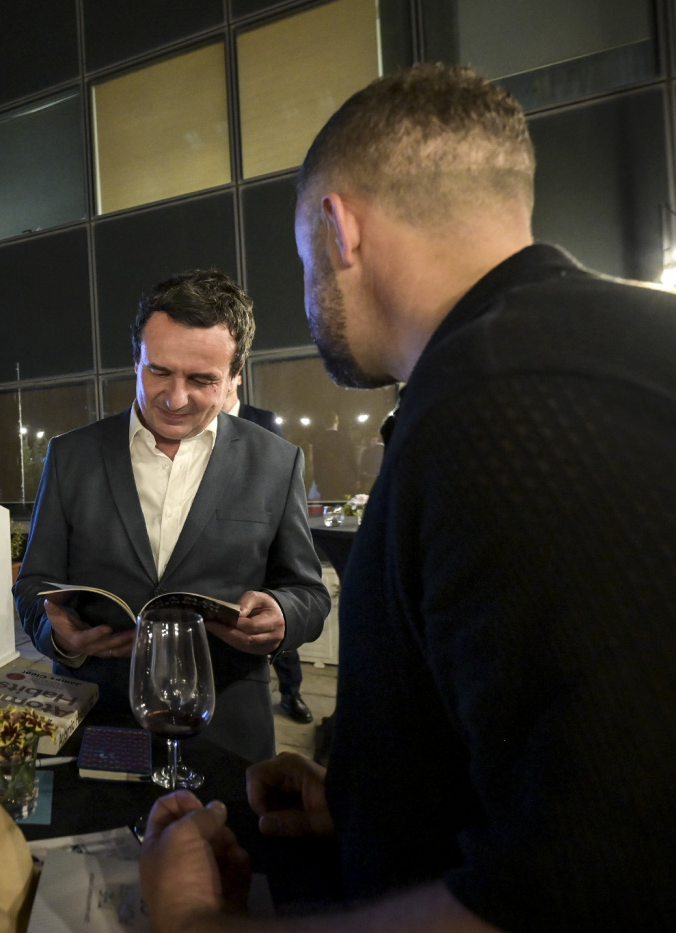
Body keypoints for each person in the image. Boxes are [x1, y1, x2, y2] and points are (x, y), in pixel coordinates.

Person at [139, 64, 676, 932]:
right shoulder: (598, 353)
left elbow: (589, 883)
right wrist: (371, 799)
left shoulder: (499, 405)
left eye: (304, 258)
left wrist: (197, 924)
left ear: (337, 227)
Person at [14, 270, 330, 764]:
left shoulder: (276, 461)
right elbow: (34, 584)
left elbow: (308, 593)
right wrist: (55, 633)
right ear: (136, 359)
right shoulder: (71, 455)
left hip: (227, 727)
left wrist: (284, 616)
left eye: (202, 380)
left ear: (235, 373)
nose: (175, 398)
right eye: (159, 371)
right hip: (98, 715)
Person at [224, 374, 313, 726]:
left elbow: (281, 483)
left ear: (236, 375)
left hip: (261, 539)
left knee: (275, 625)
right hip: (223, 548)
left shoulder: (263, 421)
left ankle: (291, 692)